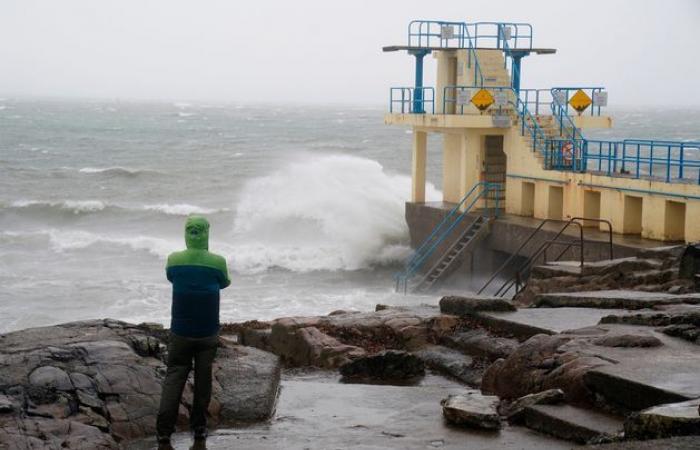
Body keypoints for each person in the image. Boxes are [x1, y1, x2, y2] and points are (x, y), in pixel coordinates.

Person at [156, 216, 230, 449]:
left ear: (186, 233)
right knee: (203, 379)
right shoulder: (218, 262)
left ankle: (163, 433)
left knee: (174, 378)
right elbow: (224, 283)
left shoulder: (174, 260)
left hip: (180, 331)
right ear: (207, 233)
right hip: (207, 332)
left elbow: (171, 277)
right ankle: (199, 428)